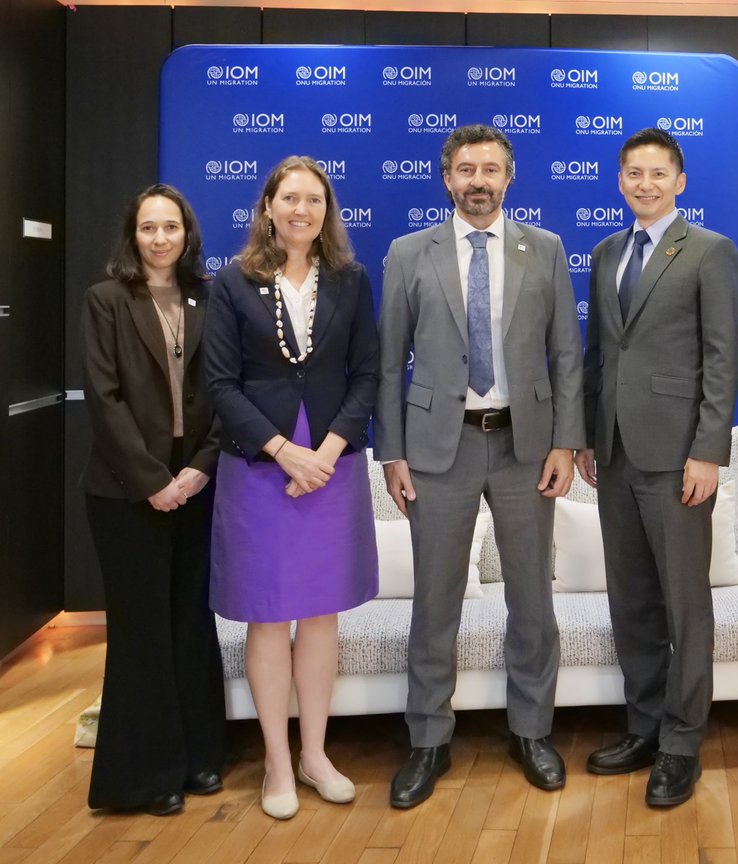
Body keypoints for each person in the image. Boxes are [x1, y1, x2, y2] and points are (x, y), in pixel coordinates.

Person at [375, 124, 584, 808]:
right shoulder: (409, 253)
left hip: (527, 448)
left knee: (532, 599)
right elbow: (388, 361)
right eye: (466, 168)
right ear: (446, 178)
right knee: (435, 603)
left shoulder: (545, 249)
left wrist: (563, 442)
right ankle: (429, 739)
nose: (478, 180)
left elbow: (566, 356)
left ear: (509, 177)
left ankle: (531, 731)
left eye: (491, 168)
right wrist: (392, 451)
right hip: (440, 448)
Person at [205, 156, 380, 820]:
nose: (301, 209)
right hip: (259, 465)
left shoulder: (352, 280)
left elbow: (368, 373)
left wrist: (328, 451)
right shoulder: (233, 281)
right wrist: (284, 452)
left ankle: (315, 755)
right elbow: (219, 385)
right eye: (289, 198)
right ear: (269, 207)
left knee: (320, 615)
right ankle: (276, 763)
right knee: (269, 616)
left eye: (314, 199)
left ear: (326, 209)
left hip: (331, 463)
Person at [574, 128, 738, 807]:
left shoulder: (709, 251)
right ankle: (642, 726)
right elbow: (598, 353)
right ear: (620, 181)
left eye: (657, 173)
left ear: (679, 181)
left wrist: (708, 450)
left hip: (678, 457)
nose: (645, 183)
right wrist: (587, 434)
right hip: (613, 453)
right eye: (633, 173)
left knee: (683, 604)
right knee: (633, 601)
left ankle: (681, 742)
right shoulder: (607, 251)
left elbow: (722, 357)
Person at [81, 183, 226, 816]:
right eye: (148, 228)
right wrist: (153, 482)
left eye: (171, 226)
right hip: (124, 489)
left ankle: (200, 759)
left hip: (196, 480)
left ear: (188, 234)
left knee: (190, 622)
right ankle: (144, 775)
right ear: (132, 235)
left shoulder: (210, 297)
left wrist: (196, 471)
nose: (161, 238)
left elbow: (224, 389)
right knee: (143, 632)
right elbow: (104, 401)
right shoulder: (105, 300)